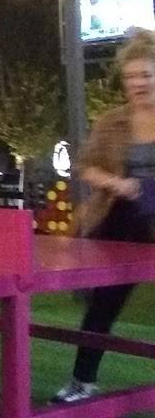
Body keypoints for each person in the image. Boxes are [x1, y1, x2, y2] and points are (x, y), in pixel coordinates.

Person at [53, 29, 155, 404]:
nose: (138, 83)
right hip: (120, 219)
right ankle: (82, 381)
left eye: (145, 74)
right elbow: (86, 166)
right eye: (131, 77)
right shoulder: (112, 121)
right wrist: (117, 183)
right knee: (103, 305)